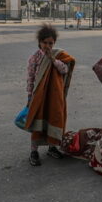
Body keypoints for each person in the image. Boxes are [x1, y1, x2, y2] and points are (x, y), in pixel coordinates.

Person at [25, 24, 76, 166]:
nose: (47, 45)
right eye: (45, 43)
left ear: (54, 43)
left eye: (50, 43)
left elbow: (65, 69)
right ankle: (33, 151)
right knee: (38, 122)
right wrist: (30, 97)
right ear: (39, 42)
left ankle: (52, 147)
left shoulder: (58, 55)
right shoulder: (34, 58)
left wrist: (53, 59)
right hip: (39, 96)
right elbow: (30, 79)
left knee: (54, 118)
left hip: (55, 96)